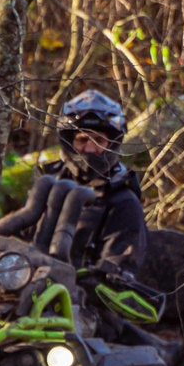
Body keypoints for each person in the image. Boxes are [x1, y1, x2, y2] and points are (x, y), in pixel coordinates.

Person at [38, 88, 150, 274]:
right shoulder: (46, 185)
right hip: (27, 278)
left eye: (99, 140)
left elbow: (120, 270)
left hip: (82, 290)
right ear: (69, 142)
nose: (90, 148)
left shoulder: (124, 202)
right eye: (82, 140)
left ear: (112, 143)